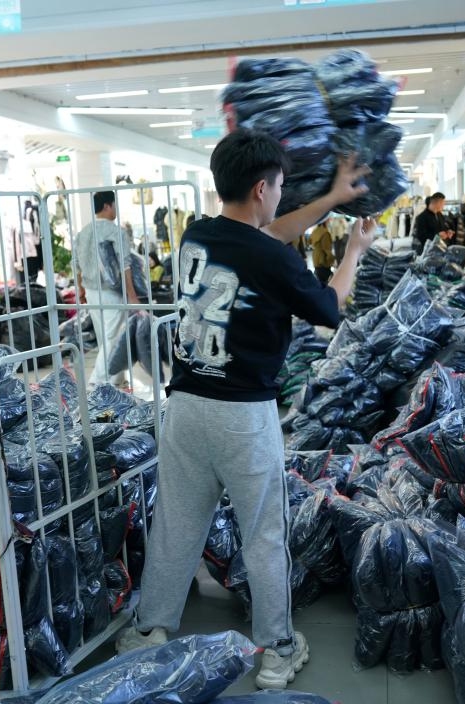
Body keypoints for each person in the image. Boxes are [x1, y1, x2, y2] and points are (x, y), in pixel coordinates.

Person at [116, 129, 375, 690]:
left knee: (177, 526)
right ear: (262, 188)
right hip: (243, 417)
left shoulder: (197, 235)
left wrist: (330, 198)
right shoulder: (270, 261)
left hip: (184, 406)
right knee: (263, 534)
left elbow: (266, 237)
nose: (280, 198)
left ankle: (149, 630)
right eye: (279, 187)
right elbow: (330, 307)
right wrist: (352, 250)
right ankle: (278, 651)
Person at [72, 190, 139, 385]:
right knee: (112, 337)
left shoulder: (83, 232)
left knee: (105, 337)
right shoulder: (115, 231)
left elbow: (75, 264)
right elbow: (125, 265)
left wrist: (81, 289)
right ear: (107, 206)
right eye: (114, 205)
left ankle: (115, 378)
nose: (115, 209)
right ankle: (96, 382)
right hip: (111, 292)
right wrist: (132, 295)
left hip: (91, 291)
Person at [309, 219, 334, 284]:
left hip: (315, 257)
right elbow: (327, 249)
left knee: (319, 279)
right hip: (322, 259)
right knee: (324, 282)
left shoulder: (315, 231)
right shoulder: (325, 233)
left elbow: (309, 242)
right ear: (325, 221)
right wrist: (332, 260)